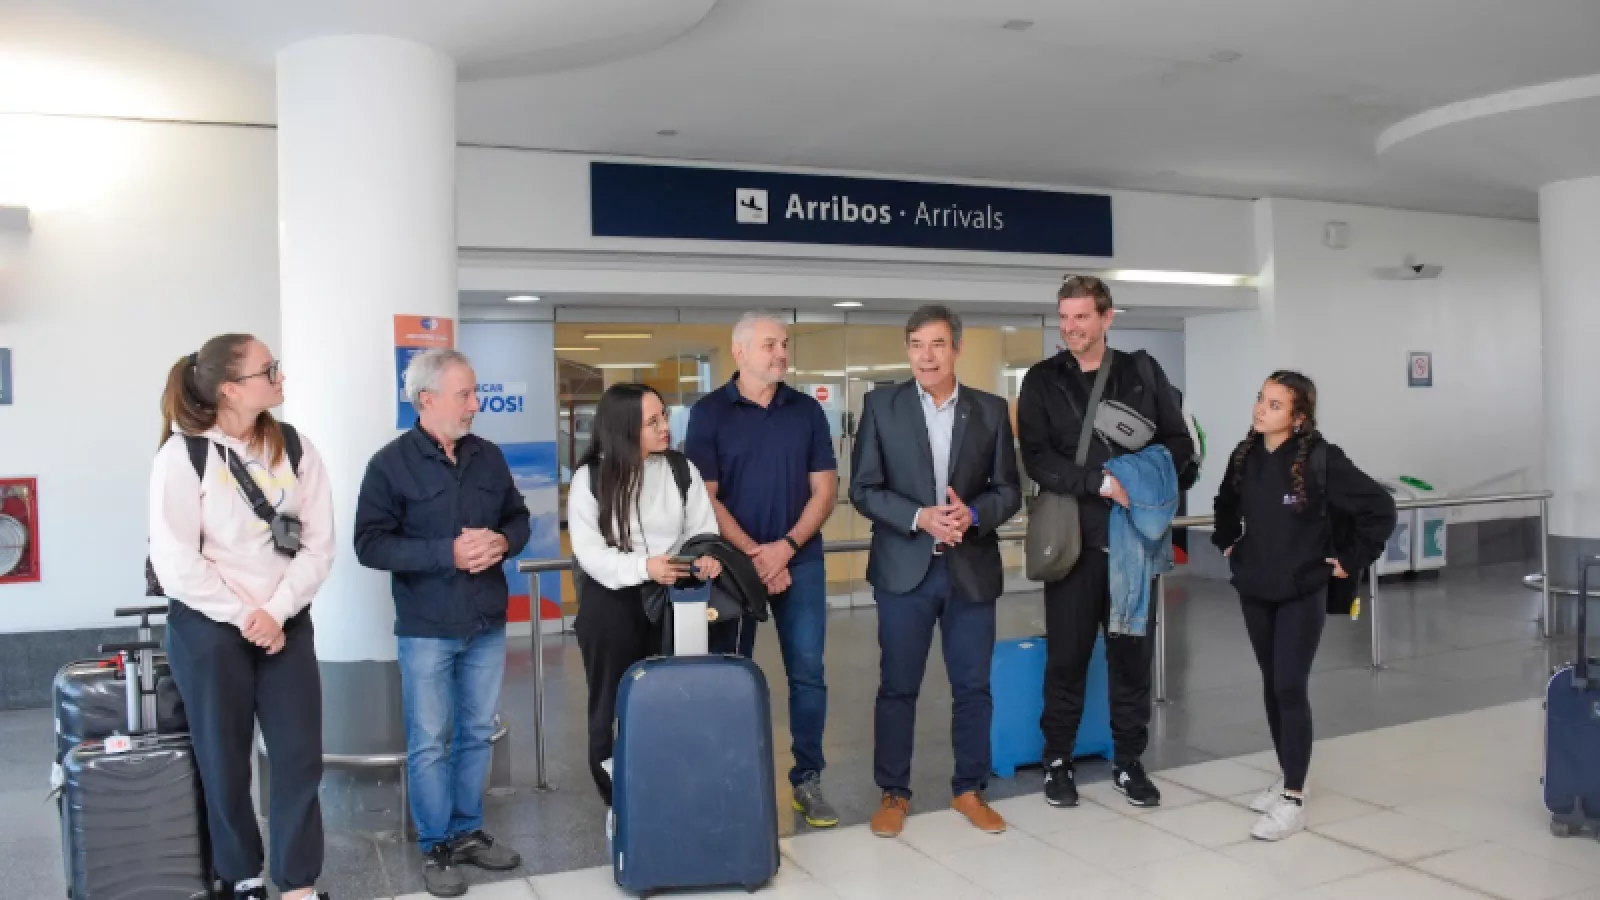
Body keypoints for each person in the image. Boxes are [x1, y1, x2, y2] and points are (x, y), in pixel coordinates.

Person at [149, 334, 334, 900]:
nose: (280, 376)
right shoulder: (183, 456)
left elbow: (318, 546)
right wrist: (244, 615)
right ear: (230, 389)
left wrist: (275, 612)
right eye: (268, 369)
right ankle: (242, 876)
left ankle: (298, 883)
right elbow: (176, 562)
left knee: (298, 757)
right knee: (223, 758)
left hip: (285, 624)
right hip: (209, 628)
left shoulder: (295, 448)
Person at [353, 349, 530, 899]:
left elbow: (518, 518)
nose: (476, 404)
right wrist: (444, 554)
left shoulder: (488, 456)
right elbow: (369, 544)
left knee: (476, 732)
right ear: (427, 400)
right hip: (427, 627)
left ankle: (467, 831)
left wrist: (503, 542)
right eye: (465, 395)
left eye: (475, 393)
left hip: (486, 621)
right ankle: (436, 845)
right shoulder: (389, 464)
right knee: (429, 741)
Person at [1017, 275, 1196, 810]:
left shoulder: (1141, 371)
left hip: (1133, 545)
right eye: (1064, 316)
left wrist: (1134, 480)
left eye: (1081, 316)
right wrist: (1099, 483)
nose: (1070, 327)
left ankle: (1129, 762)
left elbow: (1179, 446)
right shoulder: (1042, 380)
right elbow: (1037, 458)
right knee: (1066, 661)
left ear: (1106, 318)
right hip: (1073, 546)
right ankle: (1057, 761)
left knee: (1130, 661)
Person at [850, 305, 1022, 838]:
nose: (926, 356)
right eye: (917, 345)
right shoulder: (881, 406)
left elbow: (1009, 490)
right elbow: (863, 489)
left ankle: (969, 789)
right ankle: (893, 792)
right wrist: (920, 517)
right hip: (905, 571)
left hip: (970, 570)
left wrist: (973, 515)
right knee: (897, 686)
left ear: (957, 349)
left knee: (973, 687)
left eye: (937, 344)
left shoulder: (990, 410)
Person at [1212, 371, 1394, 841]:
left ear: (1298, 417)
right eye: (1261, 399)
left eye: (1275, 405)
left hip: (1302, 589)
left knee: (1290, 685)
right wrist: (1229, 541)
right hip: (1256, 587)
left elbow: (1379, 507)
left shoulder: (1321, 459)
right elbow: (1225, 503)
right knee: (1273, 684)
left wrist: (1349, 560)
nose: (1261, 409)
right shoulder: (1244, 454)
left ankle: (1293, 798)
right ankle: (1290, 772)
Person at [684, 311, 841, 827]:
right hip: (734, 568)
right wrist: (757, 554)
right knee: (732, 674)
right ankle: (731, 779)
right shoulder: (708, 414)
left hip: (801, 562)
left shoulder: (806, 411)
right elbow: (706, 499)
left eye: (784, 344)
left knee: (808, 674)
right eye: (770, 344)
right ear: (740, 351)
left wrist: (786, 548)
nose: (781, 353)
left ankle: (808, 780)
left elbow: (825, 490)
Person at [568, 383, 724, 809]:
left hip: (674, 598)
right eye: (652, 421)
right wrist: (644, 568)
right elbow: (590, 554)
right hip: (612, 602)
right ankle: (619, 800)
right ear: (624, 428)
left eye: (664, 416)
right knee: (612, 703)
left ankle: (671, 794)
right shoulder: (590, 478)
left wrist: (705, 557)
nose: (664, 427)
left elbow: (702, 529)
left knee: (674, 698)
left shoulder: (680, 468)